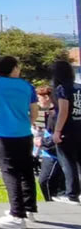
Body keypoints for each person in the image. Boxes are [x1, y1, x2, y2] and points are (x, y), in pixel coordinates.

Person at [0, 56, 39, 227]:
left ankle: (17, 214)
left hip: (4, 134)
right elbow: (34, 113)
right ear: (13, 68)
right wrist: (24, 124)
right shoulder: (28, 86)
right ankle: (29, 209)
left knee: (10, 173)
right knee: (27, 172)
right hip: (24, 134)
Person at [52, 60, 81, 205]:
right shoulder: (78, 87)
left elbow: (63, 110)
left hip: (67, 129)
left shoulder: (62, 88)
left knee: (68, 162)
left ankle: (72, 194)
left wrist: (57, 131)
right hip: (79, 126)